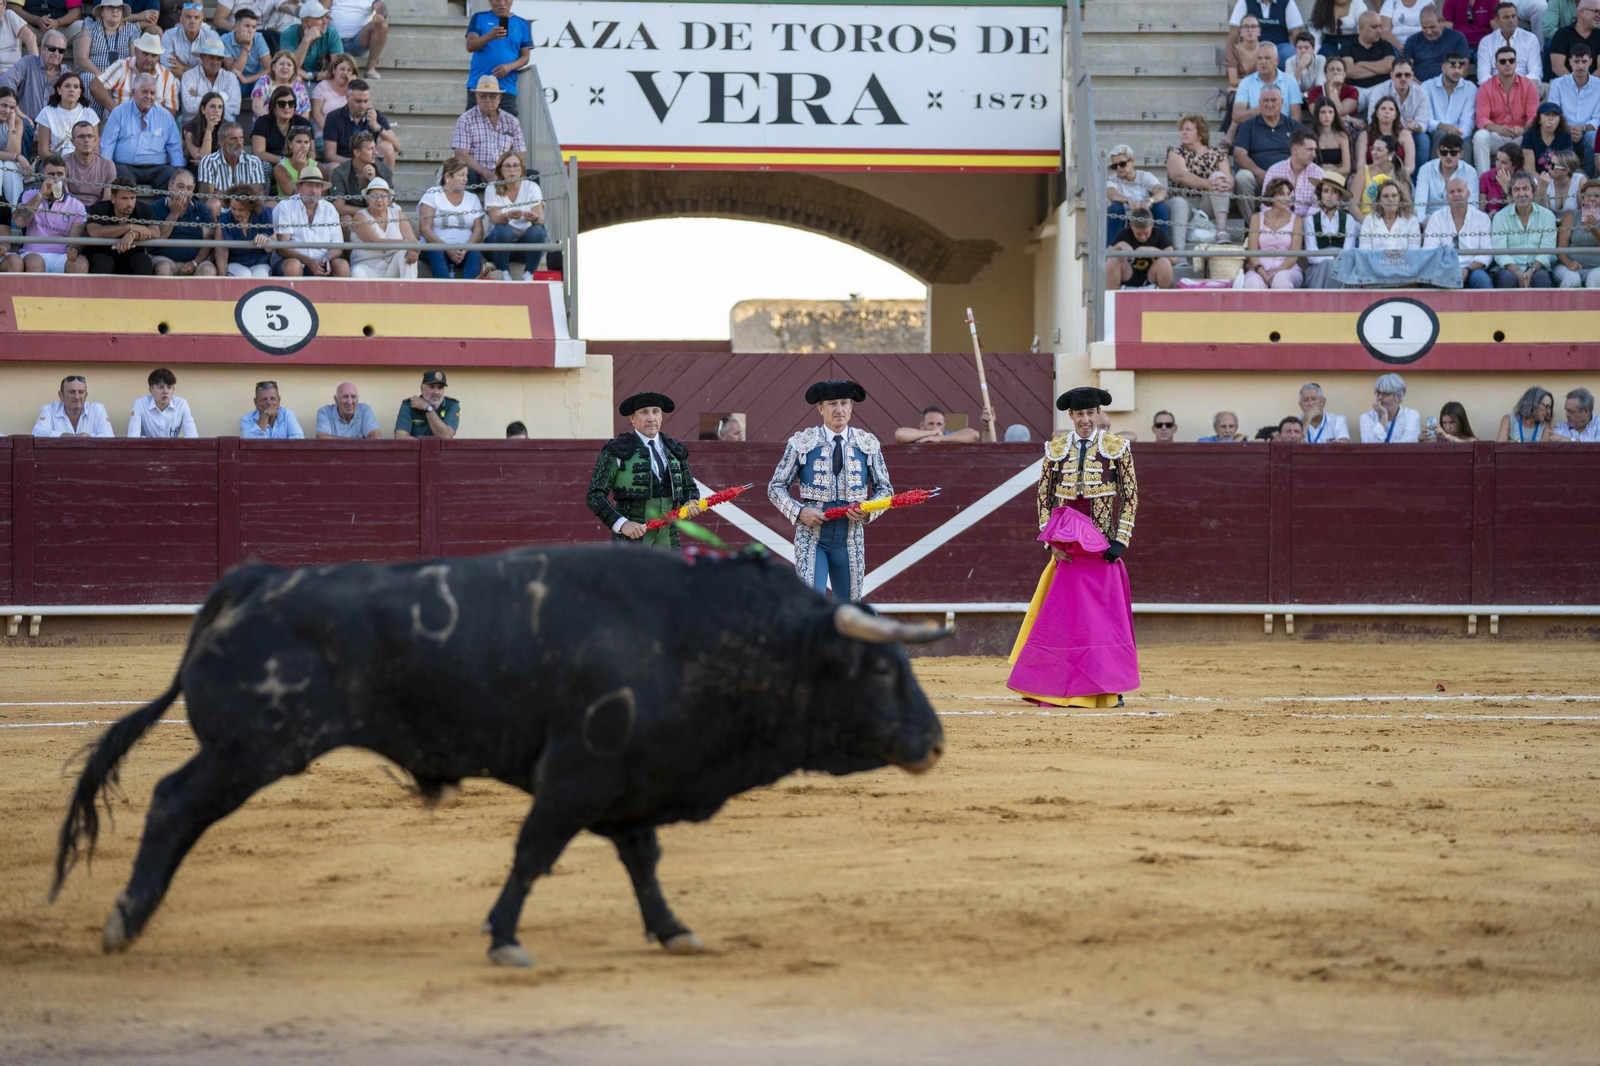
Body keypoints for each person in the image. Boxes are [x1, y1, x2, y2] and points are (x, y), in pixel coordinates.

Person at [1007, 385, 1140, 710]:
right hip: (1068, 550)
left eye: (1089, 413)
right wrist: (1051, 542)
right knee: (1066, 621)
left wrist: (1120, 540)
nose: (1084, 420)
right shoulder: (1056, 449)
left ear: (1098, 414)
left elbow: (1131, 496)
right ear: (1071, 416)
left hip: (1102, 548)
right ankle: (1055, 685)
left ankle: (1110, 687)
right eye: (1079, 414)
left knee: (1105, 623)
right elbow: (1043, 497)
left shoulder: (1116, 447)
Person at [766, 380, 891, 599]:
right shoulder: (802, 442)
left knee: (849, 609)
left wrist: (869, 509)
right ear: (820, 408)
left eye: (844, 403)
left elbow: (885, 491)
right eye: (832, 404)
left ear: (851, 407)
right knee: (811, 605)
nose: (839, 409)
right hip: (812, 539)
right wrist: (799, 511)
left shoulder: (868, 444)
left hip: (850, 539)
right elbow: (776, 487)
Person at [589, 390, 701, 548]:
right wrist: (622, 524)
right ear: (632, 419)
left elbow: (689, 487)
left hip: (668, 535)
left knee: (670, 573)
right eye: (644, 412)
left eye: (656, 412)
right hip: (632, 538)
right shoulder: (617, 450)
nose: (651, 418)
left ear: (661, 416)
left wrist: (690, 502)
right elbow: (594, 495)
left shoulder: (674, 448)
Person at [0, 155, 86, 273]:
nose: (56, 178)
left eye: (60, 174)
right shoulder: (29, 194)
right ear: (42, 176)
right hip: (32, 253)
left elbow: (75, 240)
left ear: (66, 175)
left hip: (62, 255)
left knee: (80, 264)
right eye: (51, 174)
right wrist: (41, 195)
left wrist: (74, 250)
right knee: (35, 262)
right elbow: (19, 222)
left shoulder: (77, 204)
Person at [100, 72, 183, 190]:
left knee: (170, 175)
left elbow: (174, 145)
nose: (149, 97)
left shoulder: (165, 116)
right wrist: (106, 169)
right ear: (134, 93)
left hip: (157, 169)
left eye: (152, 93)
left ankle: (158, 208)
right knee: (120, 175)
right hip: (125, 167)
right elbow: (108, 144)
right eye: (144, 92)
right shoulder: (119, 113)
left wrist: (178, 169)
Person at [1167, 114, 1235, 248]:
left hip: (1207, 202)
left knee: (1218, 177)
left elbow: (1227, 178)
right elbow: (1180, 175)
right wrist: (1207, 184)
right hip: (1183, 201)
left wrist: (1228, 182)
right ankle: (1179, 252)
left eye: (1188, 129)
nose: (1183, 132)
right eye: (1182, 129)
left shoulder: (1218, 153)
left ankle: (1221, 231)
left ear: (1200, 134)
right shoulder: (1175, 152)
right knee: (1179, 202)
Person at [270, 162, 348, 275]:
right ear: (299, 187)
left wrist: (327, 258)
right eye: (309, 185)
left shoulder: (330, 209)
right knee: (293, 266)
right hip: (292, 261)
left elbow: (338, 246)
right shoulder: (285, 206)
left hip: (322, 261)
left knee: (342, 266)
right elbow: (283, 247)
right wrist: (308, 261)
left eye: (317, 186)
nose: (314, 190)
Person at [1232, 85, 1301, 207]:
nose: (1269, 104)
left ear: (1282, 102)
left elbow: (1302, 155)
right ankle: (1251, 223)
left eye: (1273, 100)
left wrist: (1285, 175)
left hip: (1288, 178)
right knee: (1243, 177)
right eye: (1265, 100)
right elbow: (1239, 155)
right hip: (1258, 178)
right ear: (1259, 103)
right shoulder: (1248, 125)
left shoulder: (1294, 126)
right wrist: (1260, 173)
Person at [1474, 45, 1540, 171]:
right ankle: (1483, 181)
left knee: (1533, 135)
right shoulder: (1486, 87)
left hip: (1520, 136)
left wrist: (1523, 129)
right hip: (1497, 135)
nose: (1508, 64)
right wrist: (1497, 128)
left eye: (1511, 60)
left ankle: (1531, 180)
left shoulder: (1529, 86)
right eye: (1503, 61)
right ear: (1496, 65)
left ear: (1516, 63)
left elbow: (1533, 117)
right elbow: (1481, 118)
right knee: (1480, 137)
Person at [419, 156, 484, 279]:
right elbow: (425, 229)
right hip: (437, 247)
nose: (465, 179)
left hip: (463, 250)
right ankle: (446, 291)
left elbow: (478, 230)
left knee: (475, 253)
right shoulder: (433, 194)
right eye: (461, 175)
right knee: (435, 250)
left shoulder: (472, 198)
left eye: (466, 175)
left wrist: (466, 248)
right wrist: (447, 248)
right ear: (448, 176)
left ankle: (468, 292)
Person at [484, 149, 546, 279]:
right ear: (500, 170)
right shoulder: (492, 188)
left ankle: (529, 273)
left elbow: (540, 220)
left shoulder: (532, 187)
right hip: (497, 246)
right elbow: (495, 219)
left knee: (538, 231)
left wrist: (533, 217)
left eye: (515, 165)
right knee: (502, 229)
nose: (512, 170)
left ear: (521, 170)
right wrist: (508, 216)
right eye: (507, 166)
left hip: (523, 247)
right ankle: (504, 272)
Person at [452, 74, 523, 185]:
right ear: (476, 97)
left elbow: (520, 153)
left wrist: (506, 172)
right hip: (477, 174)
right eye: (483, 96)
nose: (488, 100)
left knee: (532, 175)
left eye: (493, 96)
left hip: (505, 174)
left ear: (499, 98)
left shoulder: (512, 121)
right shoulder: (465, 119)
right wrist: (485, 173)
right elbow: (461, 154)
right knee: (464, 173)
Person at [1426, 174, 1496, 284]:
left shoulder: (1482, 218)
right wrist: (1448, 269)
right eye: (1452, 192)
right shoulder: (1436, 218)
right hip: (1444, 269)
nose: (1456, 194)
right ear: (1446, 197)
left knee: (1482, 280)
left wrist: (1467, 270)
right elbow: (1429, 250)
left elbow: (1486, 253)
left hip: (1473, 269)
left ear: (1468, 193)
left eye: (1460, 190)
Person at [1492, 169, 1557, 284]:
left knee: (1541, 278)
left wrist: (1531, 270)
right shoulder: (1500, 217)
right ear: (1511, 194)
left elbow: (1547, 249)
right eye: (1516, 190)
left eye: (1525, 188)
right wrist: (1516, 271)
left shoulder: (1547, 216)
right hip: (1510, 268)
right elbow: (1500, 251)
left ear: (1533, 192)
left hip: (1537, 268)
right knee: (1507, 279)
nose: (1521, 194)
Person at [464, 0, 529, 114]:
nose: (502, 3)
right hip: (479, 86)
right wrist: (489, 36)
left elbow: (525, 57)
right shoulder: (479, 17)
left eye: (506, 0)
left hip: (506, 87)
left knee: (508, 128)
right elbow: (470, 46)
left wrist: (509, 67)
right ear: (490, 1)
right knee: (474, 128)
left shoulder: (522, 24)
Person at [89, 31, 178, 113]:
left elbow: (172, 108)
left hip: (151, 126)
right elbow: (95, 85)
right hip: (120, 122)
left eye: (154, 55)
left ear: (159, 57)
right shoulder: (122, 66)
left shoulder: (167, 76)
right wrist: (116, 111)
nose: (149, 59)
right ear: (136, 51)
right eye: (145, 53)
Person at [149, 167, 216, 276]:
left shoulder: (202, 209)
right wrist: (174, 213)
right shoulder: (155, 207)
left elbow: (208, 239)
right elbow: (160, 237)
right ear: (170, 186)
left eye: (189, 188)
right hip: (165, 259)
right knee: (163, 268)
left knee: (209, 270)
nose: (184, 192)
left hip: (195, 261)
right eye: (180, 186)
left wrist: (195, 263)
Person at [1241, 177, 1305, 287]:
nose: (1286, 198)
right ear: (1272, 196)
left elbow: (1294, 255)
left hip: (1287, 269)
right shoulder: (1257, 218)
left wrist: (1275, 273)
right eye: (1281, 194)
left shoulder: (1297, 220)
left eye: (1288, 194)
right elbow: (1252, 254)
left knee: (1281, 279)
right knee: (1252, 283)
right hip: (1260, 269)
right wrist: (1264, 276)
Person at [348, 175, 416, 278]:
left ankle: (409, 292)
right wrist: (407, 243)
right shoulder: (360, 216)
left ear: (389, 199)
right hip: (367, 267)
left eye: (383, 196)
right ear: (367, 199)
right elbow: (375, 242)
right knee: (357, 273)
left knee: (406, 254)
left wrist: (412, 249)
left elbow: (412, 239)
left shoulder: (397, 213)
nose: (379, 200)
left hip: (392, 267)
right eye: (374, 196)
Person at [320, 78, 396, 169]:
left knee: (387, 147)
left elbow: (396, 146)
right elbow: (330, 155)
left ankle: (385, 183)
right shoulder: (333, 117)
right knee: (333, 167)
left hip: (369, 162)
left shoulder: (375, 115)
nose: (363, 105)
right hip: (344, 164)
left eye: (366, 101)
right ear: (347, 97)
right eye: (358, 101)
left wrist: (376, 126)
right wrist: (357, 163)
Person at [84, 182, 158, 273]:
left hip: (131, 256)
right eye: (124, 198)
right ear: (113, 198)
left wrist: (133, 234)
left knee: (143, 262)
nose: (129, 203)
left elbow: (156, 232)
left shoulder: (143, 209)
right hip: (103, 255)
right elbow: (94, 231)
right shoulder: (98, 208)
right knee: (103, 263)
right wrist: (129, 227)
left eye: (132, 198)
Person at [1548, 42, 1600, 171]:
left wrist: (1582, 128)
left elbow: (1598, 118)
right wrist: (1568, 128)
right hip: (1564, 131)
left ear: (1590, 61)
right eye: (1576, 61)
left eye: (1584, 61)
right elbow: (1553, 113)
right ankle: (1559, 176)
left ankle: (1588, 179)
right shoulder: (1558, 84)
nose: (1580, 66)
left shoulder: (1599, 85)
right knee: (1555, 133)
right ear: (1570, 62)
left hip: (1587, 133)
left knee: (1592, 136)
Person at [1104, 143, 1169, 239]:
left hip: (1146, 220)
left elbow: (1162, 193)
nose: (1118, 168)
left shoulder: (1145, 176)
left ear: (1132, 161)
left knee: (1160, 206)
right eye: (1114, 166)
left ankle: (1164, 246)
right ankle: (1111, 249)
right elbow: (1111, 194)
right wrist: (1128, 201)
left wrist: (1149, 201)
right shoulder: (1112, 179)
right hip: (1125, 223)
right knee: (1115, 207)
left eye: (1122, 164)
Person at [1235, 41, 1305, 127]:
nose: (1263, 62)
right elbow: (1236, 115)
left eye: (1267, 58)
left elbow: (1296, 116)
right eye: (1259, 58)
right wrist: (1257, 110)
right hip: (1256, 129)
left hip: (1283, 129)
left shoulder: (1290, 81)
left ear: (1276, 61)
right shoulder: (1246, 82)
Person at [1105, 206, 1176, 290]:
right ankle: (1110, 299)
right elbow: (1105, 256)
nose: (1142, 237)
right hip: (1129, 274)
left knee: (1164, 262)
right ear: (1131, 226)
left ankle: (1166, 299)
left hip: (1151, 275)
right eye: (1138, 234)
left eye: (1146, 233)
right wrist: (1119, 245)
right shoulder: (1123, 233)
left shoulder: (1160, 234)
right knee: (1113, 260)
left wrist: (1152, 250)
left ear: (1151, 225)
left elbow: (1173, 259)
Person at [326, 127, 389, 221]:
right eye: (370, 149)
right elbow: (339, 207)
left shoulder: (383, 170)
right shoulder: (340, 172)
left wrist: (373, 181)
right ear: (357, 152)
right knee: (346, 220)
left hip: (378, 216)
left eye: (375, 148)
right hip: (354, 217)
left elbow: (389, 203)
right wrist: (366, 213)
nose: (375, 152)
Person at [0, 27, 64, 118]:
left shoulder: (65, 74)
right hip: (26, 123)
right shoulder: (28, 63)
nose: (57, 54)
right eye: (52, 49)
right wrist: (17, 111)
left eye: (61, 51)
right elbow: (5, 81)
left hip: (52, 127)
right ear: (42, 49)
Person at [196, 119, 267, 199]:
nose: (239, 143)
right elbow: (206, 198)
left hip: (246, 208)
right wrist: (243, 194)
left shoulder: (254, 162)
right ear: (221, 141)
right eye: (233, 139)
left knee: (272, 204)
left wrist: (219, 192)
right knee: (213, 204)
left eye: (241, 138)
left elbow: (258, 196)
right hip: (219, 208)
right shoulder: (209, 161)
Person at [1343, 11, 1400, 110]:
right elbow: (1350, 71)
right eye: (1374, 27)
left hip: (1380, 88)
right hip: (1356, 89)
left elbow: (1389, 66)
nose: (1379, 30)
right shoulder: (1348, 46)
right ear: (1361, 28)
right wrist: (1379, 68)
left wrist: (1361, 64)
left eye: (1380, 26)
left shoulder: (1385, 45)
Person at [212, 183, 271, 276]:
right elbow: (221, 258)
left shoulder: (263, 213)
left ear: (250, 207)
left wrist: (266, 239)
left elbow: (272, 248)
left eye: (241, 210)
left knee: (261, 275)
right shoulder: (225, 221)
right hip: (236, 263)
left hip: (260, 262)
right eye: (233, 208)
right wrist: (223, 281)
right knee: (244, 275)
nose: (235, 213)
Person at [1263, 128, 1327, 212]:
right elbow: (1265, 205)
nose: (1314, 154)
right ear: (1295, 150)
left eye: (1315, 150)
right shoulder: (1274, 171)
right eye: (1310, 150)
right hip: (1279, 223)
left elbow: (1322, 207)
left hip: (1309, 223)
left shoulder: (1319, 174)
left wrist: (1302, 222)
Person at [1476, 1, 1543, 81]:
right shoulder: (1486, 42)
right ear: (1497, 21)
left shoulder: (1530, 39)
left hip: (1524, 87)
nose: (1511, 20)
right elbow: (1483, 74)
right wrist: (1497, 87)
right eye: (1506, 17)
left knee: (1540, 87)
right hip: (1495, 88)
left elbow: (1535, 71)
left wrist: (1520, 86)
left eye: (1513, 16)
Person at [1424, 52, 1478, 150]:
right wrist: (1442, 126)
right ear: (1443, 68)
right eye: (1453, 67)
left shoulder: (1470, 88)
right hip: (1436, 133)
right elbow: (1426, 118)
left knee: (1466, 144)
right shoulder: (1427, 87)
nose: (1457, 71)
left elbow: (1468, 121)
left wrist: (1458, 135)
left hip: (1461, 135)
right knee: (1440, 135)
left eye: (1460, 67)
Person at [1414, 131, 1479, 212]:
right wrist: (1422, 222)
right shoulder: (1425, 169)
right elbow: (1420, 202)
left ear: (1461, 154)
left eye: (1453, 153)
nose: (1448, 157)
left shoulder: (1470, 171)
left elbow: (1473, 204)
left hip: (1458, 217)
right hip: (1430, 218)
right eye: (1444, 152)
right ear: (1438, 153)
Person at [34, 375, 115, 437]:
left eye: (81, 392)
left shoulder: (97, 409)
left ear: (86, 395)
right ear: (61, 395)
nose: (76, 397)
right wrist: (67, 436)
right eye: (71, 392)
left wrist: (85, 437)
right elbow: (37, 432)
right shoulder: (48, 410)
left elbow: (109, 436)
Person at [127, 367, 198, 437]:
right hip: (148, 448)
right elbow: (132, 437)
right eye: (160, 387)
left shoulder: (181, 404)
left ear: (173, 390)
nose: (165, 391)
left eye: (169, 387)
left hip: (172, 448)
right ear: (151, 389)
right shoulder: (140, 404)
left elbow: (192, 436)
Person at [178, 39, 239, 121]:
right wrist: (222, 101)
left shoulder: (230, 77)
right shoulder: (189, 76)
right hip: (196, 123)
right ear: (202, 57)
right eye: (211, 57)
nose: (215, 62)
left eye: (219, 59)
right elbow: (189, 107)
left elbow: (235, 108)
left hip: (222, 123)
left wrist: (201, 97)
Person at [1405, 5, 1472, 79]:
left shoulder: (1457, 38)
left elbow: (1464, 70)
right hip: (1419, 86)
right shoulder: (1412, 41)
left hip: (1449, 86)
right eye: (1424, 28)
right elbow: (1405, 71)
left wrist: (1444, 85)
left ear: (1442, 21)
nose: (1428, 32)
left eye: (1432, 27)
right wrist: (1422, 87)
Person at [1555, 177, 1600, 286]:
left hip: (1597, 268)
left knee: (1595, 279)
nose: (1592, 199)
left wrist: (1593, 228)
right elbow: (1560, 250)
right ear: (1583, 199)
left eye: (1597, 196)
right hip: (1568, 267)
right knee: (1572, 279)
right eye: (1588, 196)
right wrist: (1569, 264)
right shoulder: (1571, 216)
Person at [34, 70, 93, 154]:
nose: (71, 90)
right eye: (67, 86)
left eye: (76, 87)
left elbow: (95, 150)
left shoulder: (90, 114)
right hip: (56, 160)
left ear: (80, 92)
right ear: (59, 90)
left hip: (82, 159)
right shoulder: (46, 113)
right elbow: (43, 152)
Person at [251, 83, 311, 164]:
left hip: (298, 164)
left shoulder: (303, 123)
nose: (287, 107)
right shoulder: (262, 122)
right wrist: (286, 161)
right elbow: (258, 152)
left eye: (291, 103)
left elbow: (311, 153)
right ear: (274, 106)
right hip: (271, 164)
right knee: (265, 166)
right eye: (282, 104)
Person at [1229, 0, 1305, 64]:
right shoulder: (1245, 1)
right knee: (1245, 54)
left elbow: (1296, 34)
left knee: (1289, 53)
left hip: (1279, 49)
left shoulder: (1287, 2)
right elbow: (1234, 32)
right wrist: (1229, 59)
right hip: (1253, 47)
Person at [278, 0, 336, 82]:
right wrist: (306, 40)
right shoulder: (288, 34)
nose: (325, 22)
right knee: (296, 79)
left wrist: (311, 75)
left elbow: (337, 69)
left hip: (324, 81)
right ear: (305, 22)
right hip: (296, 80)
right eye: (319, 18)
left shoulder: (332, 34)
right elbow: (290, 67)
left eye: (326, 16)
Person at [74, 0, 133, 81]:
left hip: (122, 76)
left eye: (119, 8)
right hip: (95, 75)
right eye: (110, 7)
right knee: (88, 78)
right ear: (102, 11)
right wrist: (101, 75)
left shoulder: (132, 29)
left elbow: (134, 59)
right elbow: (81, 57)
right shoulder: (91, 27)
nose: (115, 11)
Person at [1359, 95, 1418, 176]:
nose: (1387, 111)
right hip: (1371, 177)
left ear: (1396, 115)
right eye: (1383, 108)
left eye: (1391, 109)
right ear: (1376, 113)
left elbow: (1410, 166)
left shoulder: (1404, 135)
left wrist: (1394, 177)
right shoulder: (1365, 135)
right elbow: (1360, 166)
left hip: (1398, 177)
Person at [393, 369, 459, 439]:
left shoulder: (452, 405)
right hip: (416, 450)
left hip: (441, 450)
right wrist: (425, 447)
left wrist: (428, 408)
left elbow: (447, 437)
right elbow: (400, 437)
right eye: (431, 387)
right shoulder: (409, 405)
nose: (436, 392)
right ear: (422, 389)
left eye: (440, 388)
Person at [327, 0, 385, 77]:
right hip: (333, 40)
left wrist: (380, 15)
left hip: (359, 40)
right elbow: (322, 9)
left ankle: (371, 69)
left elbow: (380, 6)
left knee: (382, 24)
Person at [1356, 133, 1411, 214]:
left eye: (1379, 150)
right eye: (1373, 148)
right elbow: (1352, 205)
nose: (1373, 152)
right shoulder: (1363, 172)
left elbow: (1406, 206)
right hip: (1364, 222)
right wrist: (1367, 224)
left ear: (1391, 154)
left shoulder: (1401, 173)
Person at [162, 1, 220, 76]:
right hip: (177, 80)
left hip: (204, 82)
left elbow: (212, 70)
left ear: (201, 20)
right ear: (181, 19)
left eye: (196, 17)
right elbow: (168, 66)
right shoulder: (169, 35)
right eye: (188, 17)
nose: (193, 21)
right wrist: (190, 80)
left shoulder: (212, 36)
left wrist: (183, 67)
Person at [1360, 372, 1422, 441]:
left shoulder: (1411, 416)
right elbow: (1369, 446)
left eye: (1385, 394)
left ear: (1398, 397)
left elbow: (1407, 446)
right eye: (1378, 393)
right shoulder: (1367, 417)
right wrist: (1383, 417)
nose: (1379, 397)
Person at [63, 119, 115, 202]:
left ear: (95, 140)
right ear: (73, 141)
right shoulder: (63, 163)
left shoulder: (107, 165)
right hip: (71, 209)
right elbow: (64, 196)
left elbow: (107, 200)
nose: (86, 140)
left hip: (97, 210)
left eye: (90, 136)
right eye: (81, 136)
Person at [0, 86, 36, 204]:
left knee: (11, 166)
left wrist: (11, 126)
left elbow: (13, 151)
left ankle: (15, 210)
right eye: (3, 105)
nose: (7, 111)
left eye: (12, 108)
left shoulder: (17, 122)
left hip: (8, 161)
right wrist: (17, 157)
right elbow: (16, 155)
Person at [1360, 178, 1424, 245]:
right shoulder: (1369, 221)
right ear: (1379, 200)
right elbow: (1365, 252)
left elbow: (1414, 252)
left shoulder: (1411, 221)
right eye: (1385, 196)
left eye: (1394, 195)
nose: (1390, 199)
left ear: (1399, 197)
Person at [249, 48, 307, 118]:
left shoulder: (299, 86)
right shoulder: (264, 82)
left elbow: (306, 111)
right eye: (281, 64)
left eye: (289, 65)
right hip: (267, 125)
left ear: (294, 70)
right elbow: (257, 108)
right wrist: (275, 125)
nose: (285, 67)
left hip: (294, 127)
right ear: (273, 67)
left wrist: (296, 127)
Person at [239, 379, 305, 438]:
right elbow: (253, 446)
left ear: (279, 401)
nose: (269, 403)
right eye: (264, 399)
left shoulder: (287, 415)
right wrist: (265, 415)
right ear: (256, 402)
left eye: (272, 399)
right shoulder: (247, 419)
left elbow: (299, 440)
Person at [1549, 0, 1600, 76]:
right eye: (1596, 11)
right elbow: (1557, 66)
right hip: (1565, 84)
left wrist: (1588, 85)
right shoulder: (1562, 34)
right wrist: (1574, 84)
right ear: (1582, 12)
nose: (1599, 15)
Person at [1307, 54, 1361, 125]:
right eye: (1331, 69)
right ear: (1325, 74)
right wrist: (1348, 119)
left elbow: (1339, 111)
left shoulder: (1352, 91)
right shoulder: (1314, 91)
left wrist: (1333, 89)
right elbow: (1316, 115)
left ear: (1344, 74)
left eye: (1339, 70)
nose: (1335, 72)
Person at [315, 380, 381, 438]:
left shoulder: (364, 410)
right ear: (336, 400)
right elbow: (323, 439)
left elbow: (376, 438)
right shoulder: (325, 412)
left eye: (353, 397)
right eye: (345, 397)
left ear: (358, 399)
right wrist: (359, 442)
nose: (350, 402)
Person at [308, 49, 352, 134]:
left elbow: (367, 109)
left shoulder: (356, 89)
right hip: (325, 133)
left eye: (349, 70)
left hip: (349, 134)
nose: (345, 73)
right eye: (342, 69)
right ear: (333, 70)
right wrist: (332, 134)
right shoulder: (322, 87)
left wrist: (354, 86)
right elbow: (316, 114)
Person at [220, 7, 269, 82]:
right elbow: (233, 73)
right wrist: (246, 48)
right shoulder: (224, 40)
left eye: (254, 27)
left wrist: (246, 80)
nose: (250, 31)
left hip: (258, 78)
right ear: (236, 27)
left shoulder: (258, 37)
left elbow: (269, 68)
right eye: (247, 26)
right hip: (236, 81)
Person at [1310, 97, 1353, 178]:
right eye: (1323, 112)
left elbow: (1346, 168)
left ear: (1334, 114)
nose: (1327, 116)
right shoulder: (1311, 136)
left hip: (1337, 176)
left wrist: (1326, 174)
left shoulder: (1342, 136)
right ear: (1317, 114)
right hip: (1315, 177)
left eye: (1330, 112)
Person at [895, 405, 983, 444]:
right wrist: (930, 434)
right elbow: (900, 434)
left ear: (944, 426)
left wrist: (940, 439)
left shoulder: (949, 436)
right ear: (922, 425)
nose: (935, 428)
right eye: (931, 423)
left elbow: (974, 435)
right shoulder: (915, 436)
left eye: (939, 424)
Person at [181, 87, 223, 164]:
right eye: (212, 106)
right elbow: (202, 157)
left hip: (219, 167)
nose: (217, 110)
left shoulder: (226, 127)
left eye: (220, 107)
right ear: (203, 109)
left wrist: (212, 162)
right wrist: (209, 130)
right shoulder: (190, 128)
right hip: (197, 169)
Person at [1481, 143, 1526, 211]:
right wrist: (1487, 216)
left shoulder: (1523, 179)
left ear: (1515, 165)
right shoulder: (1486, 177)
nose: (1498, 165)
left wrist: (1506, 186)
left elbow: (1520, 210)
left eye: (1504, 163)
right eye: (1497, 160)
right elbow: (1481, 209)